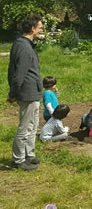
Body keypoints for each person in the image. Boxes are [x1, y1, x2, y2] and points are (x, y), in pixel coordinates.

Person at [7, 14, 44, 171]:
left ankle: (29, 154)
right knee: (25, 127)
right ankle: (18, 160)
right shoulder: (23, 47)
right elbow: (18, 74)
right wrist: (13, 93)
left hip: (33, 92)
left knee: (33, 125)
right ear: (32, 28)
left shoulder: (25, 44)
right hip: (27, 93)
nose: (42, 30)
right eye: (40, 27)